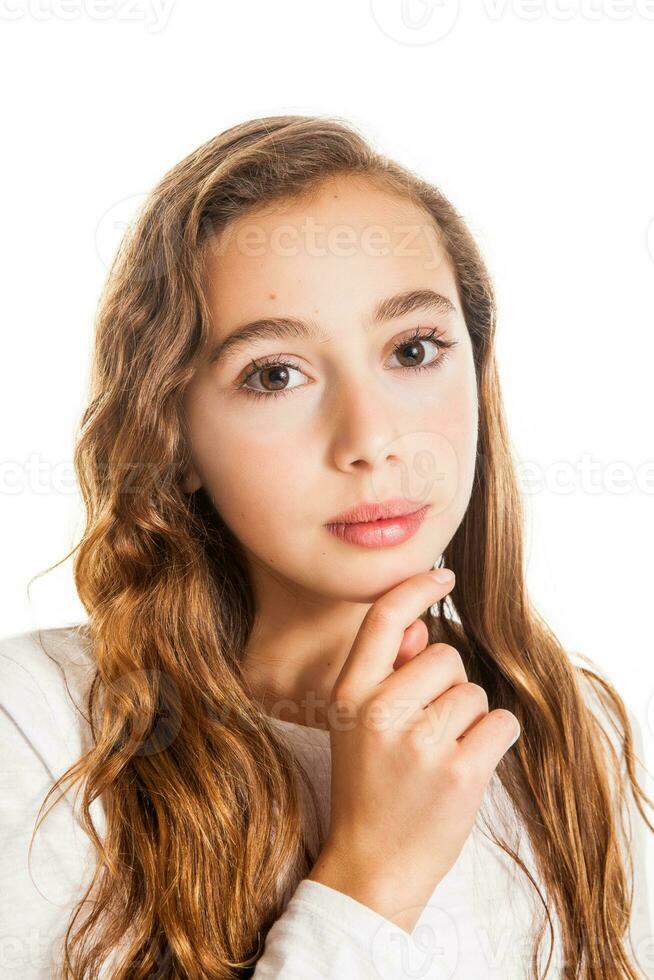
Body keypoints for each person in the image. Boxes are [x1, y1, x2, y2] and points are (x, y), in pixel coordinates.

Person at [1, 114, 652, 979]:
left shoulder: (575, 738)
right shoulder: (40, 734)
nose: (372, 438)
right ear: (174, 434)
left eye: (413, 350)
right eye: (275, 373)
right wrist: (373, 878)